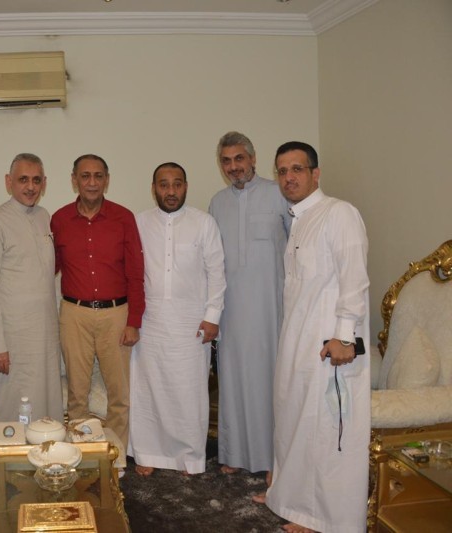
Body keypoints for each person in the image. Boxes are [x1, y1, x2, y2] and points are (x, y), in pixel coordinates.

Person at [266, 141, 370, 533]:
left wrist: (344, 337)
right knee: (296, 419)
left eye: (297, 169)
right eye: (282, 171)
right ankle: (292, 500)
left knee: (326, 429)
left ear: (315, 173)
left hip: (331, 344)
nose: (288, 177)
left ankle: (327, 519)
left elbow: (354, 279)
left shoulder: (339, 213)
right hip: (299, 338)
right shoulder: (299, 220)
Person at [130, 162, 226, 476]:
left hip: (191, 322)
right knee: (149, 389)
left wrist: (212, 316)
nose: (171, 191)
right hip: (151, 320)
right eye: (164, 184)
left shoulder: (204, 222)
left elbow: (217, 272)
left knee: (189, 392)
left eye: (177, 184)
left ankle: (189, 457)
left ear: (186, 186)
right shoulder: (139, 222)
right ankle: (147, 452)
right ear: (153, 188)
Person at [208, 132, 290, 487]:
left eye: (239, 158)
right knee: (233, 380)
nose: (233, 167)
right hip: (231, 311)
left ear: (253, 159)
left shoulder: (279, 194)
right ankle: (236, 454)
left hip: (271, 308)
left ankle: (274, 459)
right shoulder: (217, 203)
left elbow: (297, 248)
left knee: (271, 383)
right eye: (226, 161)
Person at [50, 154, 144, 449]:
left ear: (107, 180)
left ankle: (115, 458)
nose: (92, 182)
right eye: (85, 176)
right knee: (77, 394)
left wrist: (134, 321)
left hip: (116, 314)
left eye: (98, 176)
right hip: (74, 314)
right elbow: (49, 267)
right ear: (74, 180)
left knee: (119, 394)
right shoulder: (59, 219)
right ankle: (81, 455)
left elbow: (135, 273)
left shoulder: (124, 218)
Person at [0, 154, 64, 422]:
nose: (30, 187)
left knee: (47, 400)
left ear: (44, 183)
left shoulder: (44, 216)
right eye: (23, 180)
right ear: (9, 181)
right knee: (16, 405)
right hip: (14, 337)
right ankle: (14, 451)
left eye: (36, 180)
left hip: (46, 333)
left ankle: (47, 448)